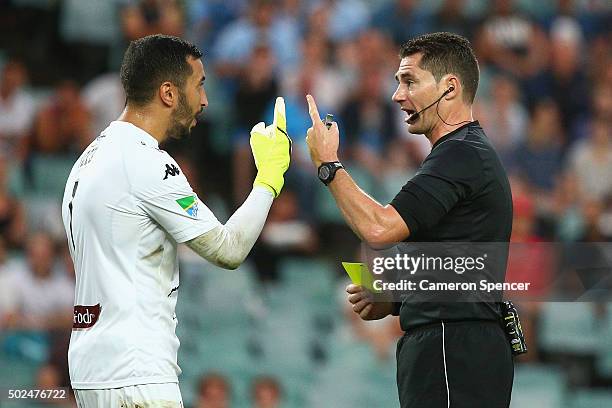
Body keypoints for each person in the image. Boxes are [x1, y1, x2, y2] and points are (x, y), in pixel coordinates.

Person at [62, 34, 291, 407]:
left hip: (92, 367)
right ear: (169, 93)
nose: (204, 100)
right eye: (199, 85)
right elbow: (227, 249)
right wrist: (268, 178)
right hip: (136, 370)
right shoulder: (146, 162)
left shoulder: (88, 160)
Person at [306, 32, 514, 407]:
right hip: (453, 344)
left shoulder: (460, 155)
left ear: (450, 88)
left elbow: (379, 228)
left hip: (453, 348)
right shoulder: (460, 154)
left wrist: (328, 164)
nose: (397, 95)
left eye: (409, 81)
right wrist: (399, 299)